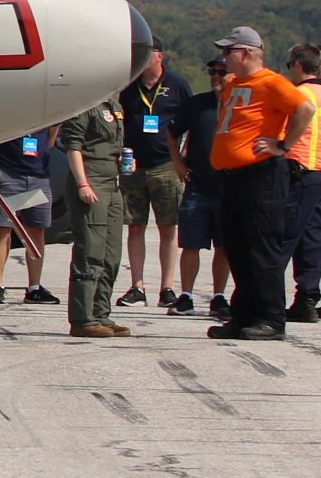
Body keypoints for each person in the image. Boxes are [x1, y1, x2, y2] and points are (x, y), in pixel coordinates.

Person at [204, 26, 317, 342]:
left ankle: (271, 318)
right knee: (237, 248)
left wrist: (283, 144)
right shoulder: (235, 82)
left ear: (246, 53)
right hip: (232, 177)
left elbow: (305, 108)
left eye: (228, 52)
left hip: (261, 175)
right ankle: (244, 315)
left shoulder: (271, 82)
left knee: (262, 249)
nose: (224, 58)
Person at [117, 47, 191, 306]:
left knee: (167, 227)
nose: (142, 57)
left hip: (165, 165)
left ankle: (167, 288)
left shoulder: (177, 85)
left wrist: (183, 154)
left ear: (160, 56)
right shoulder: (129, 86)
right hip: (134, 166)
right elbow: (119, 122)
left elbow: (191, 122)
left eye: (148, 52)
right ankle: (137, 286)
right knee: (135, 226)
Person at [55, 95, 128, 337]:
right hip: (91, 180)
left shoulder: (113, 104)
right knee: (90, 251)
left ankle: (100, 313)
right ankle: (82, 318)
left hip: (112, 183)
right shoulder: (85, 102)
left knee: (111, 253)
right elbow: (73, 145)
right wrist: (82, 183)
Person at [175, 60, 231, 316]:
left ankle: (219, 296)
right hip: (198, 186)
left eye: (221, 72)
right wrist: (178, 163)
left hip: (228, 187)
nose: (215, 77)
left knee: (224, 246)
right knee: (191, 244)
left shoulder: (239, 104)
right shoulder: (197, 104)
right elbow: (172, 132)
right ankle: (186, 296)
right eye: (212, 72)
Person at [0, 132, 58, 304]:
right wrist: (2, 164)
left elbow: (51, 140)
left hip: (38, 176)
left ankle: (34, 288)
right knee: (2, 228)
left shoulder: (42, 119)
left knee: (36, 230)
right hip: (9, 175)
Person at [287, 43, 321, 323]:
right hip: (317, 171)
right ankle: (307, 298)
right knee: (313, 237)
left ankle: (269, 301)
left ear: (299, 65)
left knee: (289, 237)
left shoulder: (299, 94)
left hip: (301, 170)